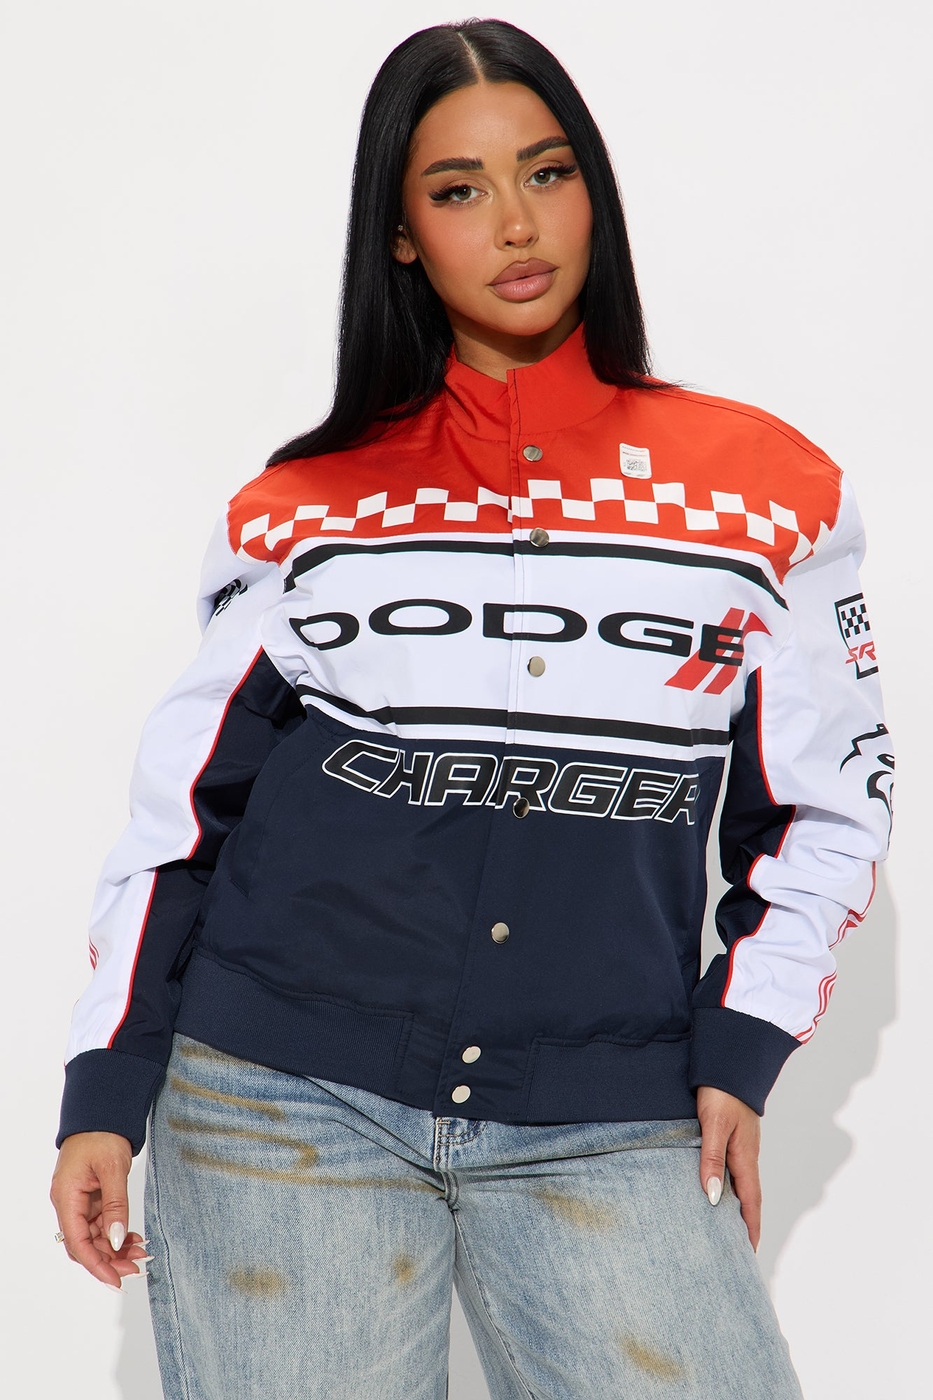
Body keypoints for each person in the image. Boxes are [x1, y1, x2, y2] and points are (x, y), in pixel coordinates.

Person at [50, 19, 892, 1400]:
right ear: (400, 234)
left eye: (547, 173)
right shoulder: (301, 509)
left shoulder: (765, 490)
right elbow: (186, 815)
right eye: (458, 190)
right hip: (279, 1099)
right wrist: (106, 1083)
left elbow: (826, 810)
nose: (515, 223)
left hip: (608, 1110)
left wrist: (741, 1049)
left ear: (593, 193)